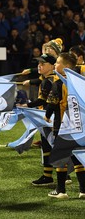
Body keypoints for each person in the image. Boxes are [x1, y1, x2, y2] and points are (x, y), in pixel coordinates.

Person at [43, 52, 84, 198]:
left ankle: (61, 190)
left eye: (58, 62)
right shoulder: (80, 82)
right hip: (79, 127)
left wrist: (47, 116)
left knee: (61, 157)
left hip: (62, 127)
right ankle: (83, 190)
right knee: (77, 157)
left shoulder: (58, 83)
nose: (55, 64)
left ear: (66, 67)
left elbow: (52, 104)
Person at [19, 54, 56, 186]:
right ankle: (50, 176)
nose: (39, 66)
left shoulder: (49, 80)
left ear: (52, 66)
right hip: (52, 117)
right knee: (49, 145)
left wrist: (25, 106)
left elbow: (42, 100)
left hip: (50, 118)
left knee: (51, 146)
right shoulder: (51, 78)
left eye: (43, 64)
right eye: (39, 63)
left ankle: (54, 177)